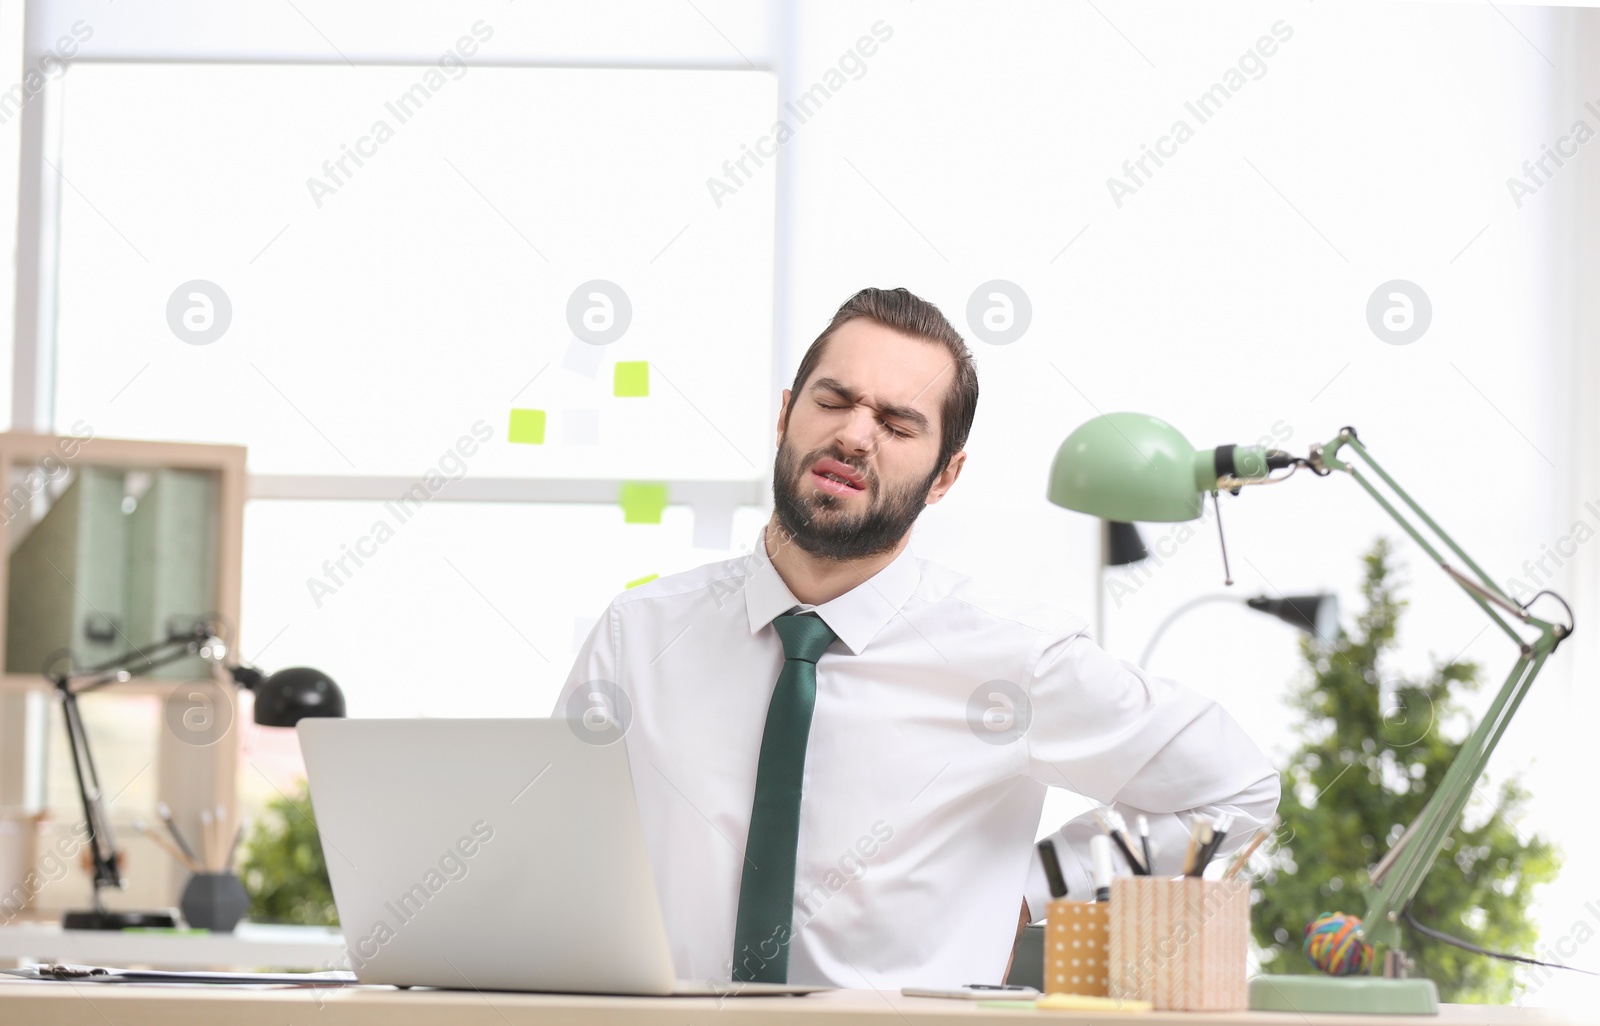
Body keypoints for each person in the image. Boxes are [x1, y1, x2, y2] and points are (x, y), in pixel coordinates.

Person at [558, 286, 1279, 989]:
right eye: (832, 401)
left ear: (945, 476)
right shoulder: (640, 635)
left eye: (899, 426)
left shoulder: (1013, 658)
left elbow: (1238, 788)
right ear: (785, 414)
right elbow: (552, 856)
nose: (853, 435)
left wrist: (1035, 889)